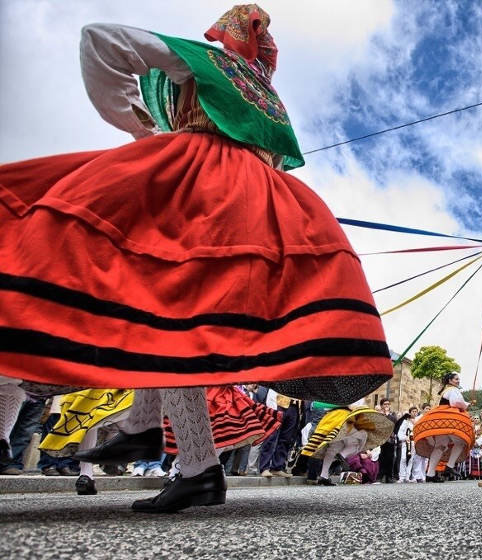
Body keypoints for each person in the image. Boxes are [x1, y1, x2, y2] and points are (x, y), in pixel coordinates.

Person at [0, 3, 392, 513]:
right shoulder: (267, 99)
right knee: (181, 315)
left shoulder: (206, 61)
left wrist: (142, 131)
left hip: (198, 186)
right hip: (261, 200)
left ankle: (170, 447)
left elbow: (101, 40)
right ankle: (159, 438)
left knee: (167, 304)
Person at [298, 402, 392, 486]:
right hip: (345, 420)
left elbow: (317, 405)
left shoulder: (330, 395)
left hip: (333, 420)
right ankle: (340, 457)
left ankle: (324, 475)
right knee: (357, 442)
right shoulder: (348, 395)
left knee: (334, 447)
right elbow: (354, 407)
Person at [413, 373, 473, 483]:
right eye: (456, 379)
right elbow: (455, 402)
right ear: (450, 380)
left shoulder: (446, 390)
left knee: (440, 446)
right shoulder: (453, 390)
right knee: (460, 442)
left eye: (458, 379)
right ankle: (449, 467)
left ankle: (430, 474)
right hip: (449, 419)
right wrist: (466, 404)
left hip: (442, 419)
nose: (458, 381)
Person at [395, 406, 418, 483]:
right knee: (403, 459)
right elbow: (400, 433)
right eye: (413, 411)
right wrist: (405, 437)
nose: (414, 413)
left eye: (416, 411)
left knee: (411, 459)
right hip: (406, 442)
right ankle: (402, 477)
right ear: (410, 412)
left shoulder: (418, 421)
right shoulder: (406, 422)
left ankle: (407, 477)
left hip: (414, 443)